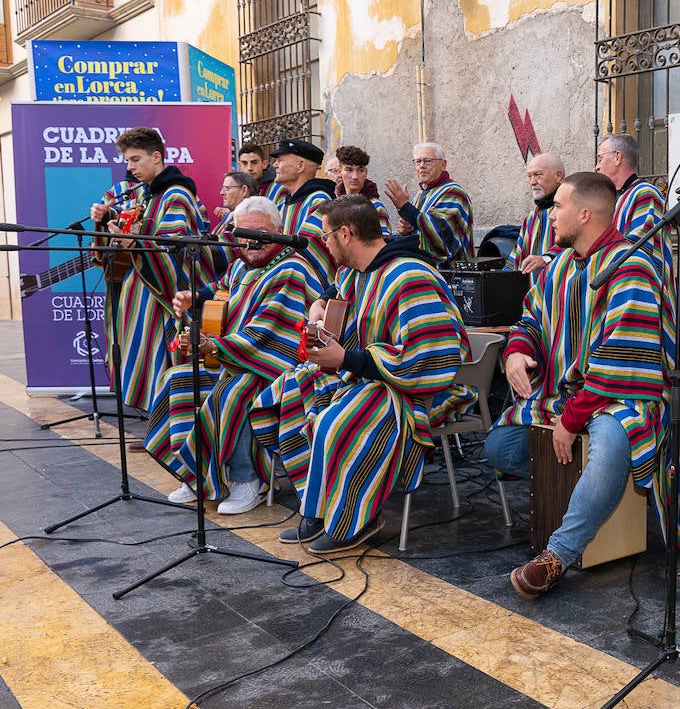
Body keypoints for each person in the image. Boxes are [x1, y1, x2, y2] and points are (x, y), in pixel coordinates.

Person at [250, 195, 472, 554]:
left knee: (339, 419)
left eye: (326, 235)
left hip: (419, 389)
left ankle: (354, 519)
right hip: (371, 377)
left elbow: (429, 357)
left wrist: (347, 359)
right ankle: (318, 509)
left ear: (347, 233)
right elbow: (335, 300)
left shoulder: (409, 276)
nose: (323, 242)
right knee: (292, 391)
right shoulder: (355, 272)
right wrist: (320, 304)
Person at [492, 172, 677, 598]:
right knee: (500, 448)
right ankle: (592, 494)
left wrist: (572, 421)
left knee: (611, 442)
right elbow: (530, 320)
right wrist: (517, 350)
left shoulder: (631, 264)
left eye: (558, 207)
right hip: (566, 393)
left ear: (586, 213)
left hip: (626, 395)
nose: (551, 215)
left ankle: (557, 554)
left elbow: (623, 358)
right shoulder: (559, 267)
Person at [145, 196, 326, 513]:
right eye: (244, 232)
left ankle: (248, 480)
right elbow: (221, 288)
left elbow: (268, 330)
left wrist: (215, 346)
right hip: (237, 358)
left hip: (277, 365)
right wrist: (194, 298)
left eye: (259, 232)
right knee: (176, 380)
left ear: (278, 231)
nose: (250, 240)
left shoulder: (291, 269)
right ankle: (196, 475)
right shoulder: (243, 264)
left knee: (234, 392)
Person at [88, 126, 214, 412]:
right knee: (149, 363)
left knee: (163, 362)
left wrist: (132, 242)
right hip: (145, 297)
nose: (129, 167)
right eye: (127, 161)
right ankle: (157, 425)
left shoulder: (175, 195)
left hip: (163, 301)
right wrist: (113, 226)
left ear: (156, 156)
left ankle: (171, 427)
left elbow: (174, 251)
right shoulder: (149, 195)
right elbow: (137, 240)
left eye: (135, 159)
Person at [595, 133, 670, 275]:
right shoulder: (617, 197)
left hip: (642, 288)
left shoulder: (645, 193)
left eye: (600, 159)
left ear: (617, 157)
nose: (597, 167)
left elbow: (638, 247)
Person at [385, 142, 473, 262]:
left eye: (428, 161)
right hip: (424, 269)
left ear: (443, 164)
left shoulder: (454, 192)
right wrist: (406, 230)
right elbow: (419, 233)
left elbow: (440, 234)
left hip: (450, 273)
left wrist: (406, 208)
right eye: (418, 161)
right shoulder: (419, 195)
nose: (422, 166)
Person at [268, 138, 336, 280]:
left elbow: (309, 247)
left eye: (280, 160)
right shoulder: (283, 203)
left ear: (300, 166)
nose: (274, 165)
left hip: (306, 285)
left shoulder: (319, 200)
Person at [505, 153, 564, 271]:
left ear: (558, 176)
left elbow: (575, 248)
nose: (532, 182)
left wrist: (546, 258)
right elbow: (516, 257)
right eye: (529, 176)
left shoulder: (570, 211)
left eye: (538, 175)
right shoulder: (531, 218)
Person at [334, 144, 391, 234]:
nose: (355, 177)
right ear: (339, 172)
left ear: (366, 172)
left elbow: (383, 243)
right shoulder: (333, 202)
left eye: (360, 170)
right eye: (349, 170)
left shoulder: (375, 207)